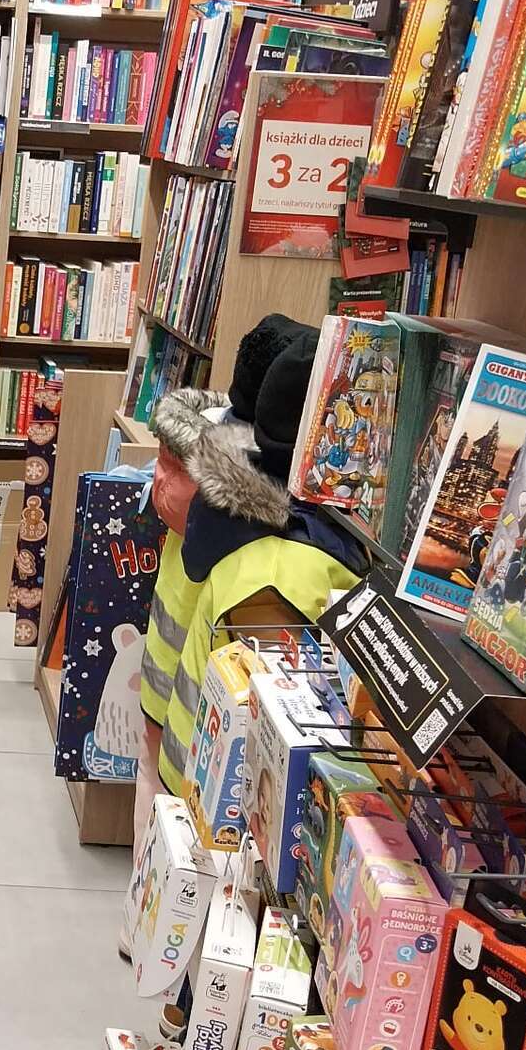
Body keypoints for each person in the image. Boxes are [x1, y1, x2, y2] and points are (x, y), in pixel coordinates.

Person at [158, 329, 369, 799]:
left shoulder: (231, 508)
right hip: (213, 789)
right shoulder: (282, 569)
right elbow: (272, 724)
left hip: (186, 754)